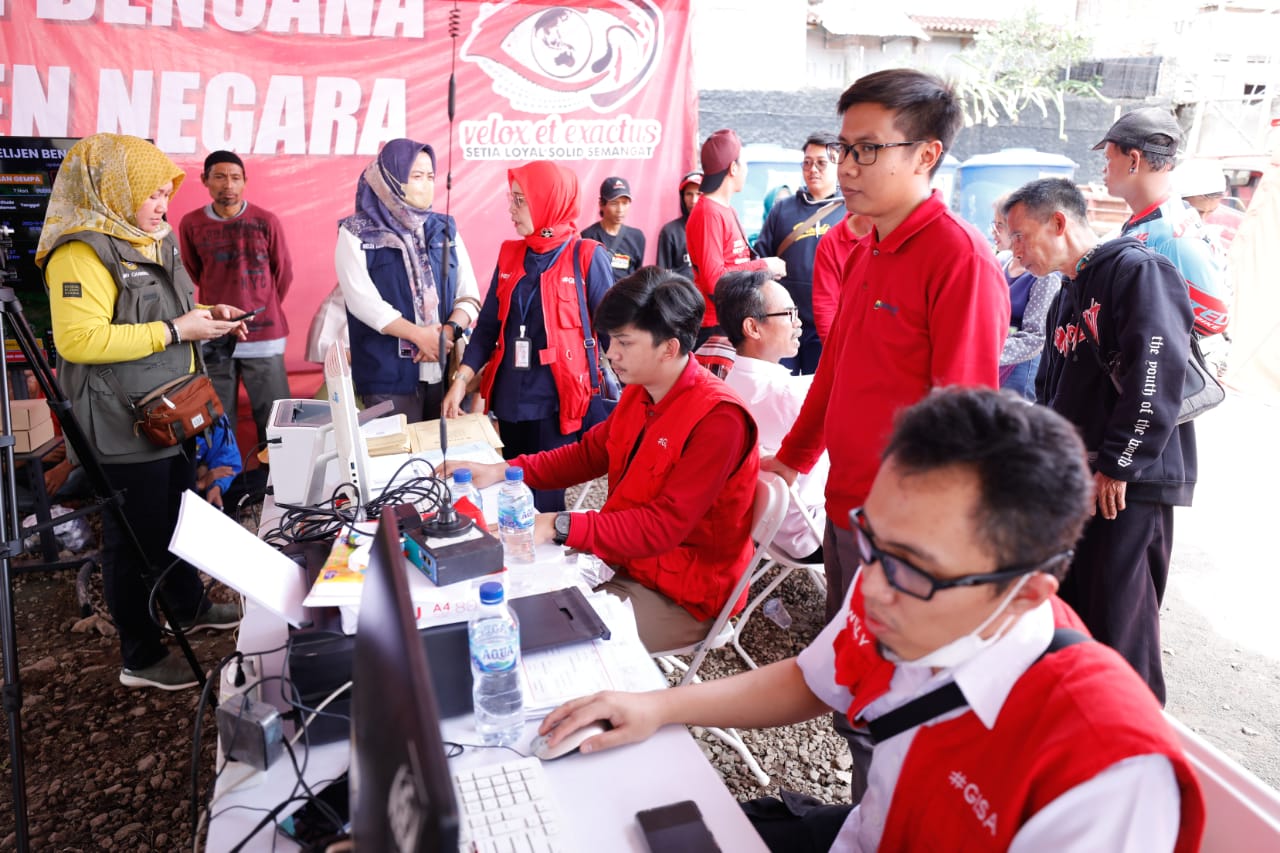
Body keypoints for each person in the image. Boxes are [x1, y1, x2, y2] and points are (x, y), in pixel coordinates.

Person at [539, 388, 1205, 852]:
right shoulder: (896, 579)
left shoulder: (1104, 769)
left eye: (914, 568)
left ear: (1027, 593)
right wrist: (657, 706)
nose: (873, 586)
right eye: (872, 540)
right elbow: (813, 677)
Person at [762, 69, 1009, 798]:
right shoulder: (867, 246)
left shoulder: (959, 258)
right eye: (844, 147)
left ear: (926, 154)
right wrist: (792, 457)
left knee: (898, 705)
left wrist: (920, 547)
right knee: (855, 685)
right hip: (846, 508)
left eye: (867, 149)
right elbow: (834, 371)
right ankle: (865, 816)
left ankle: (892, 820)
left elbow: (964, 422)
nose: (846, 166)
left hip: (904, 536)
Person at [447, 269, 758, 652]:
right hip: (626, 559)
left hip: (680, 593)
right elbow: (588, 454)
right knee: (503, 595)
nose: (611, 353)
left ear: (669, 348)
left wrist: (559, 524)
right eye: (611, 339)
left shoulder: (719, 420)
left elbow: (663, 527)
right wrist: (502, 471)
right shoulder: (642, 390)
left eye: (624, 342)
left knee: (545, 637)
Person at [37, 133, 247, 691]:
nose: (162, 205)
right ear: (113, 188)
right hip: (120, 421)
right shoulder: (80, 252)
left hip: (170, 408)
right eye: (151, 193)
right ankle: (142, 656)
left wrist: (210, 313)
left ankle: (188, 607)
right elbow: (79, 340)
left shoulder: (153, 237)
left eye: (165, 193)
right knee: (133, 539)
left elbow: (169, 308)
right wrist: (179, 329)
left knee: (178, 515)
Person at [1005, 178, 1195, 706]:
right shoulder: (1069, 290)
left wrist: (1119, 464)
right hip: (1082, 479)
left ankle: (1136, 733)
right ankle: (1079, 724)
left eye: (1020, 236)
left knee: (1120, 621)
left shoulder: (1136, 271)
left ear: (1058, 222)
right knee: (1073, 610)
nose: (1014, 251)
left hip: (1128, 482)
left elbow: (1155, 373)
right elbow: (1052, 391)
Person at [442, 160, 614, 513]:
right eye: (512, 198)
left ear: (548, 202)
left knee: (544, 502)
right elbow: (487, 327)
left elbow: (616, 336)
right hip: (510, 400)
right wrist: (460, 381)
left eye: (521, 200)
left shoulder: (586, 257)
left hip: (557, 406)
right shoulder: (511, 254)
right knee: (509, 492)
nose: (511, 209)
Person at [335, 138, 481, 423]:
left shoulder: (445, 228)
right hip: (387, 375)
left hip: (444, 369)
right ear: (390, 178)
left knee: (442, 449)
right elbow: (362, 301)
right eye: (416, 176)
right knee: (397, 449)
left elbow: (469, 294)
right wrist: (418, 336)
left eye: (430, 176)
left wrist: (447, 333)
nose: (425, 185)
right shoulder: (355, 233)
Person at [178, 150, 293, 445]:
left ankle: (277, 473)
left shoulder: (266, 221)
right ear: (204, 180)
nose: (228, 185)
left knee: (275, 417)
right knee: (217, 415)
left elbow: (283, 273)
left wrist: (262, 305)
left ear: (244, 181)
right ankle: (224, 473)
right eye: (219, 177)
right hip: (215, 334)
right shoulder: (191, 224)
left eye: (235, 177)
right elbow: (193, 271)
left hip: (264, 335)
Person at [715, 271, 827, 562]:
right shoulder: (792, 395)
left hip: (765, 527)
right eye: (789, 314)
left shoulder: (728, 382)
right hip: (809, 534)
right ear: (753, 327)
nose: (798, 322)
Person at [1095, 108, 1229, 340]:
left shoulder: (1172, 237)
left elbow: (1214, 320)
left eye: (1108, 158)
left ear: (1134, 160)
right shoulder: (1151, 220)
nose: (1103, 168)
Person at [753, 132, 847, 374]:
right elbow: (761, 258)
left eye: (821, 163)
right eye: (807, 162)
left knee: (820, 386)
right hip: (783, 320)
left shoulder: (851, 211)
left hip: (830, 323)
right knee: (781, 386)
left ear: (838, 165)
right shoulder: (782, 210)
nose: (813, 169)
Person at [685, 128, 786, 346]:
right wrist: (763, 266)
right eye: (744, 162)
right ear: (733, 168)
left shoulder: (724, 208)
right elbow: (714, 280)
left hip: (730, 318)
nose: (746, 169)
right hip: (715, 326)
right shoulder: (708, 213)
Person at [990, 194, 1062, 401]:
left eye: (1000, 225)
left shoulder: (1044, 275)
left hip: (1020, 369)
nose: (993, 231)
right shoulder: (1002, 260)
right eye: (994, 224)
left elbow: (1035, 337)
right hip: (994, 360)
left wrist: (988, 352)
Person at [810, 212, 872, 343]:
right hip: (850, 343)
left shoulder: (905, 233)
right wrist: (837, 349)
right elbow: (825, 306)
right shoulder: (832, 241)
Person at [581, 176, 646, 281]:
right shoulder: (587, 237)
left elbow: (638, 276)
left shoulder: (637, 237)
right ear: (601, 204)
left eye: (625, 203)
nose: (620, 209)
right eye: (614, 203)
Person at [655, 170, 702, 279]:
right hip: (680, 289)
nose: (694, 200)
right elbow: (662, 275)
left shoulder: (716, 228)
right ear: (682, 197)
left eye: (699, 193)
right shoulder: (670, 231)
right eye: (689, 194)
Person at [194, 414, 242, 510]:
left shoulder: (213, 412)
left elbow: (228, 461)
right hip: (180, 494)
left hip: (207, 484)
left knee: (259, 481)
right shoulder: (166, 422)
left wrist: (217, 486)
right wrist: (199, 484)